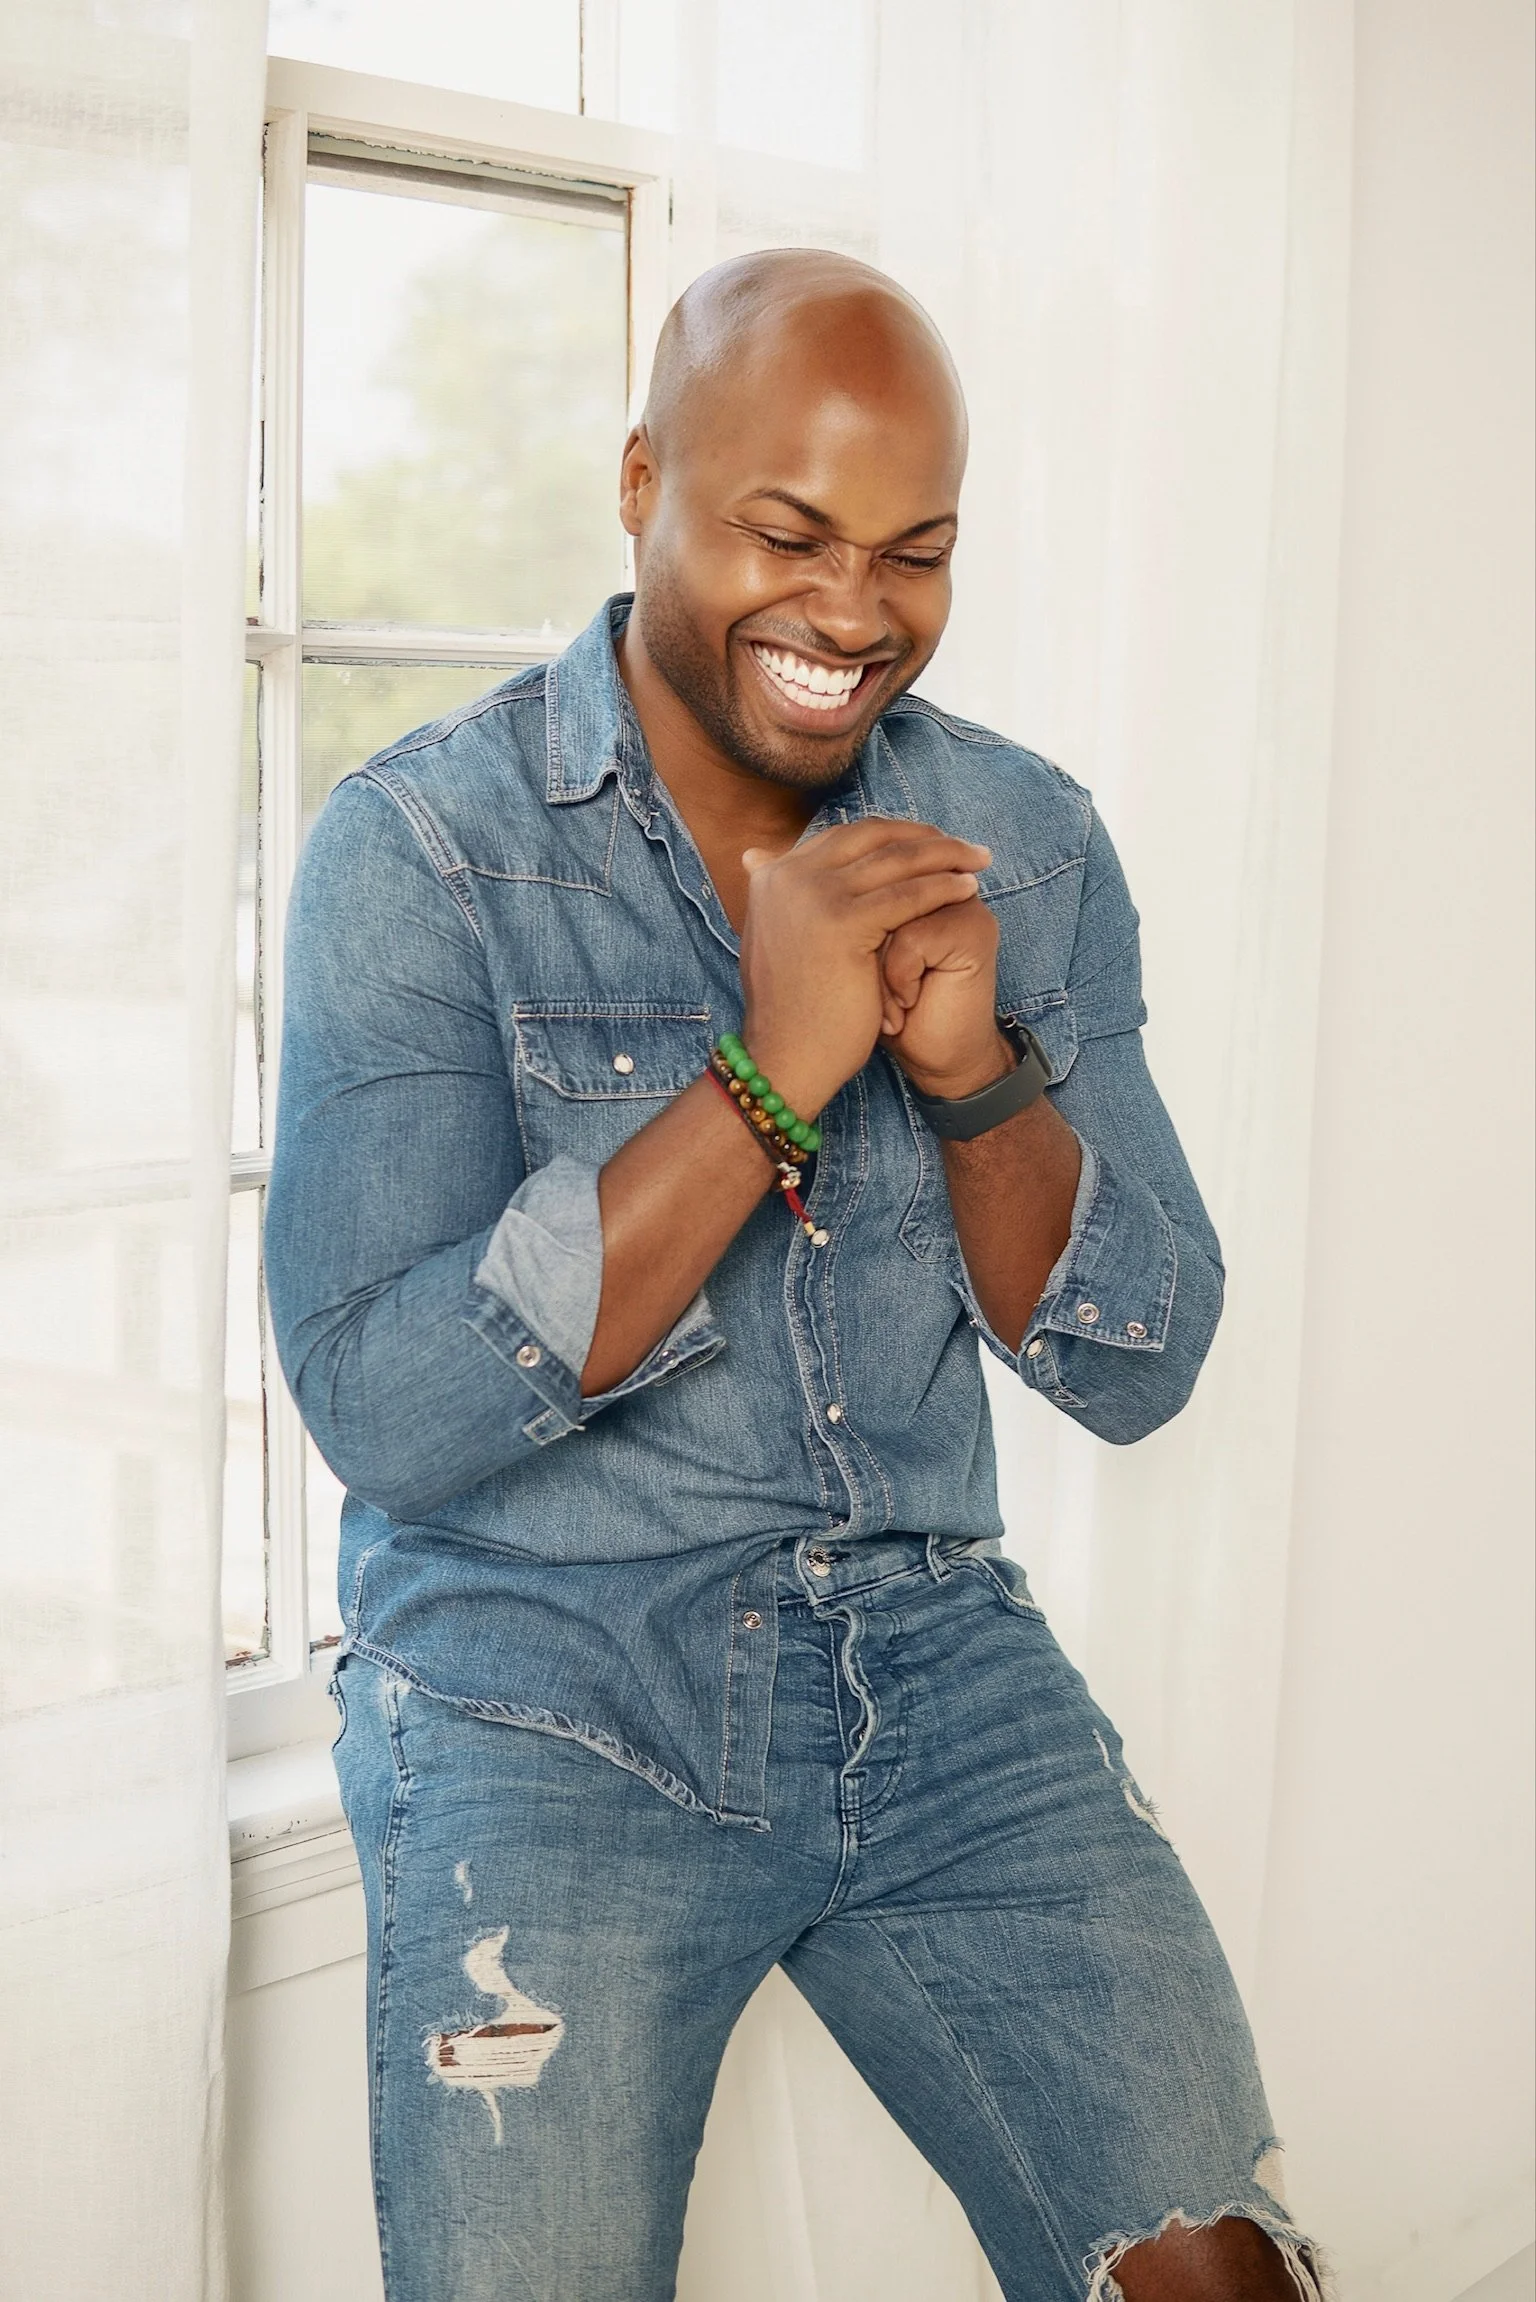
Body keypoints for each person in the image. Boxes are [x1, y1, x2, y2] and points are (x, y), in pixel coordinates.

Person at [265, 249, 1324, 2302]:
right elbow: (383, 1403)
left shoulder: (1020, 836)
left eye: (916, 553)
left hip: (930, 1657)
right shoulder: (420, 848)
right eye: (791, 532)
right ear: (646, 478)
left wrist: (980, 1077)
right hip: (535, 1684)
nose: (856, 613)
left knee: (1219, 2276)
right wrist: (770, 1076)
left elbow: (1145, 1358)